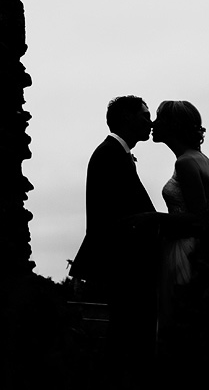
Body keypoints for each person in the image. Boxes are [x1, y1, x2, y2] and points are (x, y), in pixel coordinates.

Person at [70, 96, 161, 375]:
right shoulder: (109, 155)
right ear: (126, 118)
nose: (150, 122)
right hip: (124, 266)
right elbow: (111, 218)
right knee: (128, 336)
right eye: (145, 115)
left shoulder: (114, 154)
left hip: (125, 265)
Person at [151, 100, 209, 332]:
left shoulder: (185, 162)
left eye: (159, 119)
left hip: (182, 251)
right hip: (187, 247)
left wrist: (151, 218)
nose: (152, 123)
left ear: (172, 126)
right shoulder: (201, 159)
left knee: (176, 323)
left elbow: (198, 217)